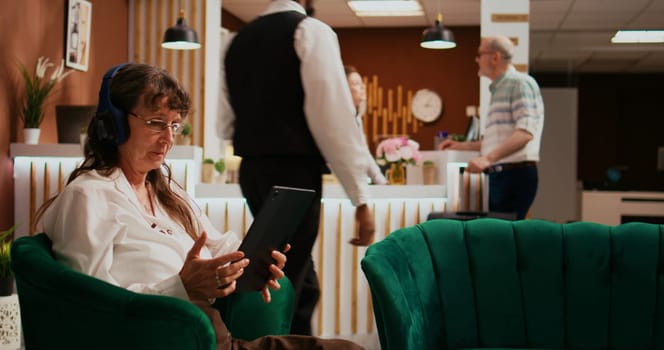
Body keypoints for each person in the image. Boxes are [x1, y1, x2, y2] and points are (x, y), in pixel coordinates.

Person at [36, 63, 363, 350]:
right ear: (114, 125)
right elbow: (90, 307)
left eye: (174, 125)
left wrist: (251, 260)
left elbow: (219, 244)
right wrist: (181, 285)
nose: (168, 138)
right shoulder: (89, 196)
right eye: (155, 122)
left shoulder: (167, 193)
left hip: (212, 336)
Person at [219, 0, 378, 335]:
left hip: (252, 172)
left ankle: (289, 338)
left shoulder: (235, 41)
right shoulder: (310, 31)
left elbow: (224, 123)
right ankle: (267, 342)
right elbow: (333, 120)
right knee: (283, 280)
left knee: (296, 277)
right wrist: (361, 199)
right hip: (294, 175)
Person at [438, 35, 544, 220]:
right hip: (501, 177)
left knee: (504, 238)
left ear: (495, 57)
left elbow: (525, 133)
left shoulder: (520, 84)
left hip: (515, 176)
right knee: (500, 238)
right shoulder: (498, 90)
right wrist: (461, 146)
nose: (476, 59)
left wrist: (487, 159)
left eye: (480, 54)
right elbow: (496, 141)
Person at [344, 65, 386, 185]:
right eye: (356, 83)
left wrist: (380, 180)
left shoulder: (356, 118)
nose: (363, 87)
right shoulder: (338, 117)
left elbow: (364, 151)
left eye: (361, 82)